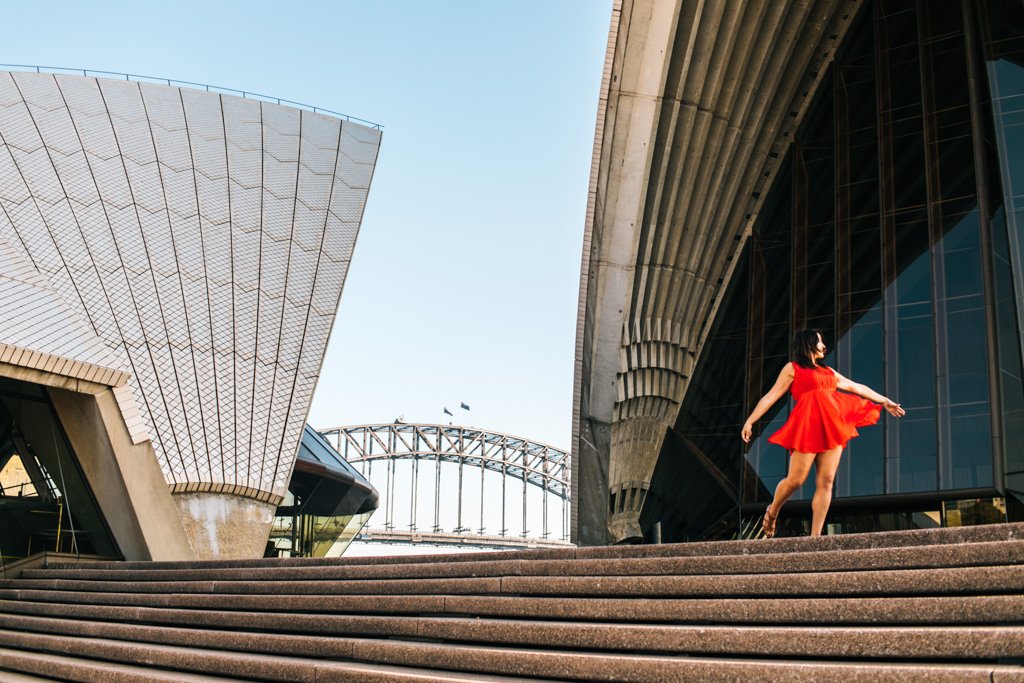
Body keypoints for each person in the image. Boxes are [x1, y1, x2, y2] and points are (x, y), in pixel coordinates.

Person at [740, 329, 905, 538]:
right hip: (808, 425)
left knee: (826, 481)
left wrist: (884, 400)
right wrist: (750, 421)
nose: (823, 346)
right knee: (796, 480)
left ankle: (815, 538)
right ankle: (772, 512)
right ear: (808, 343)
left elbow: (855, 386)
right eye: (819, 342)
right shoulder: (793, 368)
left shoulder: (828, 372)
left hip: (833, 426)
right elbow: (770, 396)